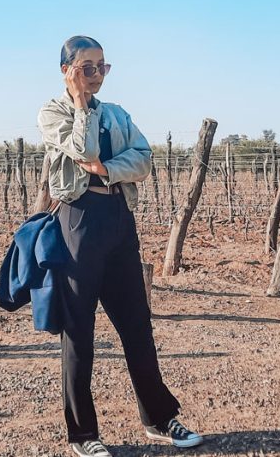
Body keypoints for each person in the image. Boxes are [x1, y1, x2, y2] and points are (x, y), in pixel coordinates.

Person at [37, 35, 204, 457]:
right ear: (67, 71)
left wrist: (108, 168)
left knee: (137, 325)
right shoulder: (52, 112)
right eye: (87, 68)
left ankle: (159, 419)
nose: (97, 75)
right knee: (79, 333)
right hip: (78, 221)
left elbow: (145, 160)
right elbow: (82, 149)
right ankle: (83, 435)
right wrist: (79, 107)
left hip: (118, 220)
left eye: (103, 67)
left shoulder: (117, 113)